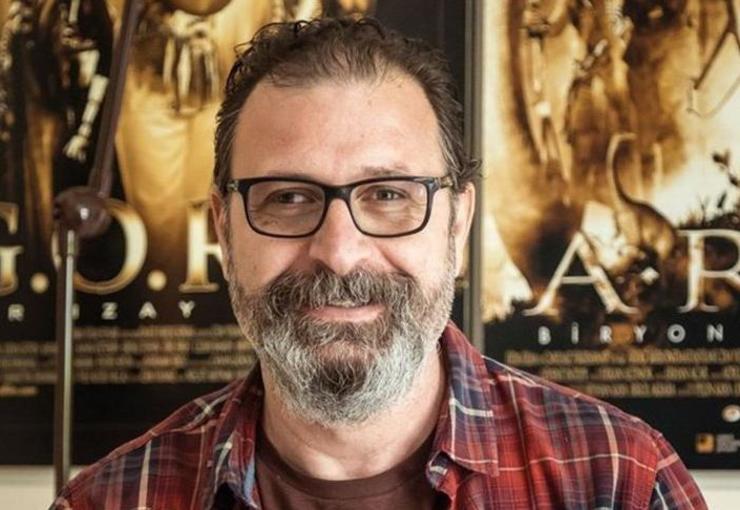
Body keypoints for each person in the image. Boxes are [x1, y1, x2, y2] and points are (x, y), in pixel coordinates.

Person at [50, 16, 706, 509]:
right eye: (287, 198)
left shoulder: (620, 480)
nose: (339, 252)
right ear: (224, 227)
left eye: (389, 195)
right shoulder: (112, 500)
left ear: (457, 220)